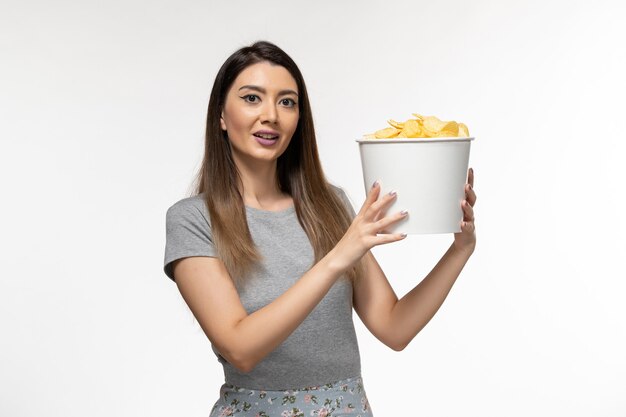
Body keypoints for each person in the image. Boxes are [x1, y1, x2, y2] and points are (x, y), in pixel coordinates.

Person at [163, 40, 477, 417]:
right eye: (252, 98)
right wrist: (336, 258)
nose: (271, 115)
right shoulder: (193, 219)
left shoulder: (329, 206)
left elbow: (395, 328)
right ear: (221, 116)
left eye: (287, 101)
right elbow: (239, 349)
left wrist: (460, 250)